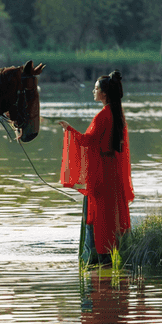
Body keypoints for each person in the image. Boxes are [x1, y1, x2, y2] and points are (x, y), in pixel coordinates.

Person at [58, 71, 134, 266]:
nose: (93, 91)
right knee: (112, 215)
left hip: (102, 175)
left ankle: (101, 257)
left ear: (104, 94)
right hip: (113, 172)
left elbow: (87, 141)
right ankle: (112, 254)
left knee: (102, 216)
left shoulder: (102, 116)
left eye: (96, 88)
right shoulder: (117, 114)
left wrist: (69, 129)